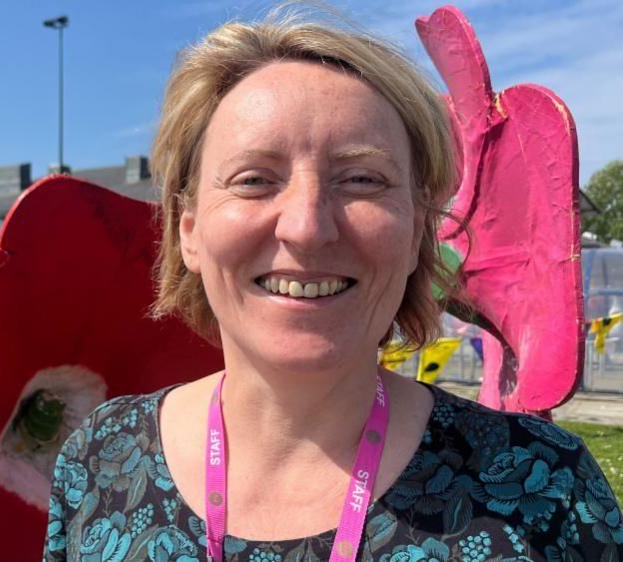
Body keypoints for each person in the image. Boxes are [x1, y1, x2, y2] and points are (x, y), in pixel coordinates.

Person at [44, 8, 623, 562]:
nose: (307, 227)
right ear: (188, 230)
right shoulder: (100, 456)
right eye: (254, 180)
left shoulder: (545, 485)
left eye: (362, 179)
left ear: (420, 226)